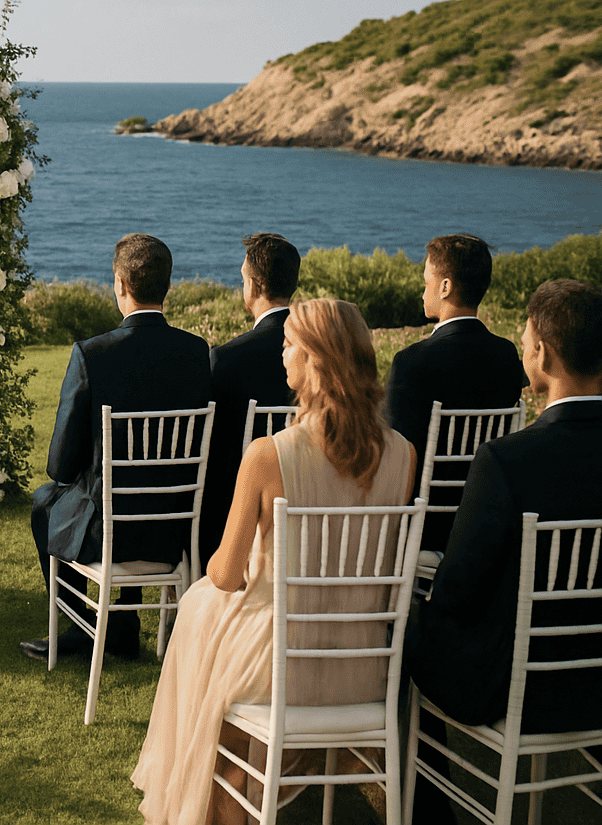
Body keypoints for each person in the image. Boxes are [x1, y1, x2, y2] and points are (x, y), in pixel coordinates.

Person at [131, 298, 416, 825]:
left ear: (316, 361)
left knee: (198, 610)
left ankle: (222, 799)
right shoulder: (403, 453)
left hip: (281, 662)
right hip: (361, 665)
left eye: (289, 345)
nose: (282, 355)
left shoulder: (269, 454)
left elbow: (226, 573)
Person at [408, 279, 602, 733]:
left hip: (519, 687)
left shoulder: (506, 460)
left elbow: (456, 593)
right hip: (593, 682)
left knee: (406, 621)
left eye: (527, 340)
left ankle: (416, 798)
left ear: (544, 354)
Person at [21, 233, 212, 663]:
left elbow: (61, 466)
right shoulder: (197, 353)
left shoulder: (93, 354)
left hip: (109, 531)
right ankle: (123, 624)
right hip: (175, 530)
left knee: (44, 502)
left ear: (120, 284)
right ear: (167, 285)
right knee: (130, 488)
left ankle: (80, 627)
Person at [386, 233, 526, 552]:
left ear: (445, 287)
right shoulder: (506, 356)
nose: (423, 291)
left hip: (424, 528)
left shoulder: (411, 362)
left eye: (426, 282)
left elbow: (396, 454)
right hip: (484, 520)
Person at [201, 232, 298, 570]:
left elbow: (212, 445)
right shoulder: (319, 353)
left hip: (235, 511)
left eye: (243, 278)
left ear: (255, 285)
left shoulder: (228, 358)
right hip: (305, 496)